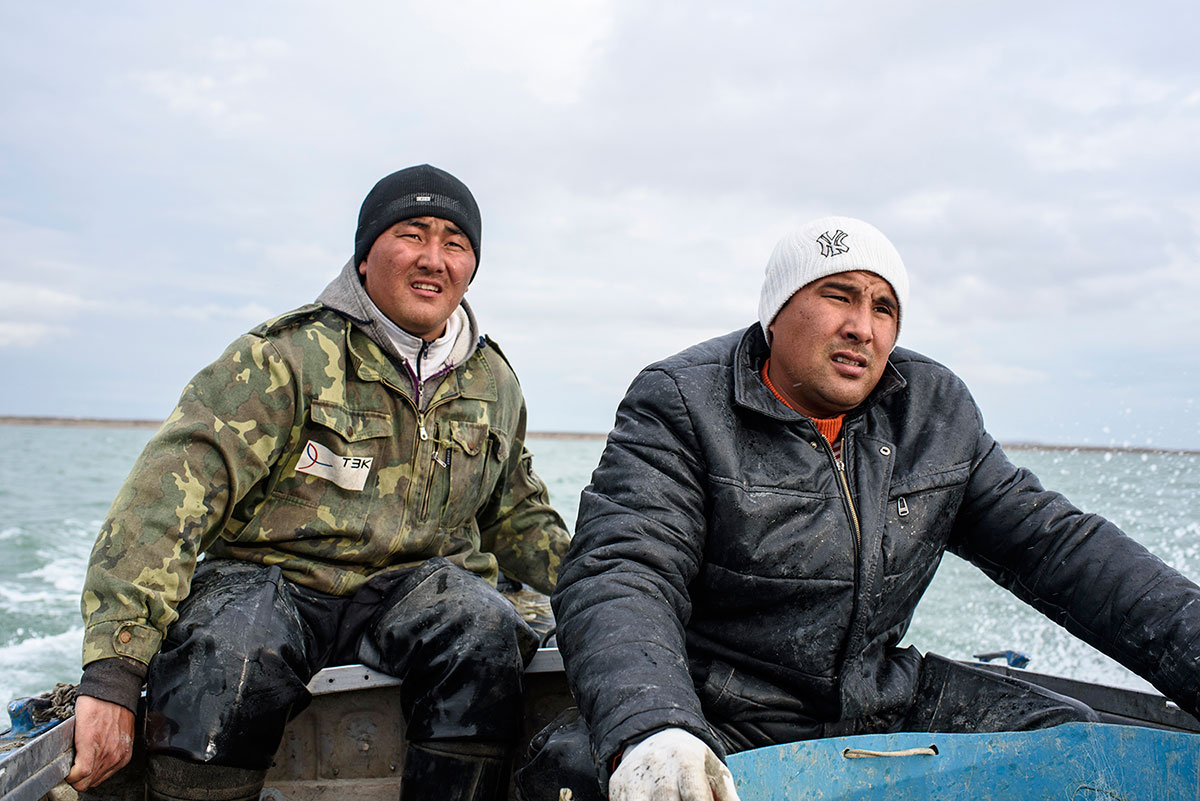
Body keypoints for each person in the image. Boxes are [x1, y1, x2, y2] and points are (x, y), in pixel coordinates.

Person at [517, 216, 1200, 801]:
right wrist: (653, 725)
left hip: (879, 700)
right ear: (777, 311)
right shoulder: (682, 401)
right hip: (724, 711)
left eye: (884, 308)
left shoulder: (933, 411)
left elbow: (1059, 547)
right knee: (574, 769)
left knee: (1070, 743)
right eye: (838, 296)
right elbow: (622, 569)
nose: (862, 327)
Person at [67, 164, 571, 801]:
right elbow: (167, 501)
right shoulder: (282, 357)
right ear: (364, 256)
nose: (433, 259)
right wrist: (113, 673)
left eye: (455, 243)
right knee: (226, 655)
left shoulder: (493, 381)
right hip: (272, 580)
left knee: (485, 630)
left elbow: (518, 515)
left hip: (415, 588)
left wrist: (611, 593)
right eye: (412, 235)